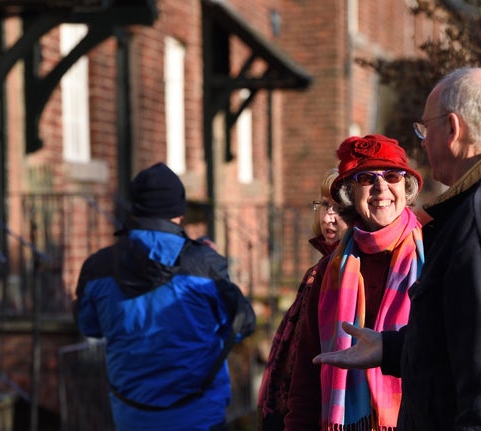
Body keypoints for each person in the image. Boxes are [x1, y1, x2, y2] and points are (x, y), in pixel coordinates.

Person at [314, 67, 481, 430]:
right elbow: (472, 343)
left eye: (425, 128)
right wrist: (392, 349)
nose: (422, 141)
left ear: (452, 128)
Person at [74, 162, 256, 431]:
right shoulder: (203, 264)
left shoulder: (97, 267)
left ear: (135, 209)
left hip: (131, 417)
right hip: (200, 416)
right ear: (179, 213)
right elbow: (243, 324)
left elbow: (90, 326)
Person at [285, 135, 425, 430]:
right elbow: (308, 373)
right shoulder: (329, 270)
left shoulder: (435, 253)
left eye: (391, 176)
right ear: (350, 192)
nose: (381, 188)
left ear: (405, 187)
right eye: (366, 178)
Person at [257, 167, 348, 431]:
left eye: (339, 208)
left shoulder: (339, 271)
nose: (329, 217)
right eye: (324, 205)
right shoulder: (320, 268)